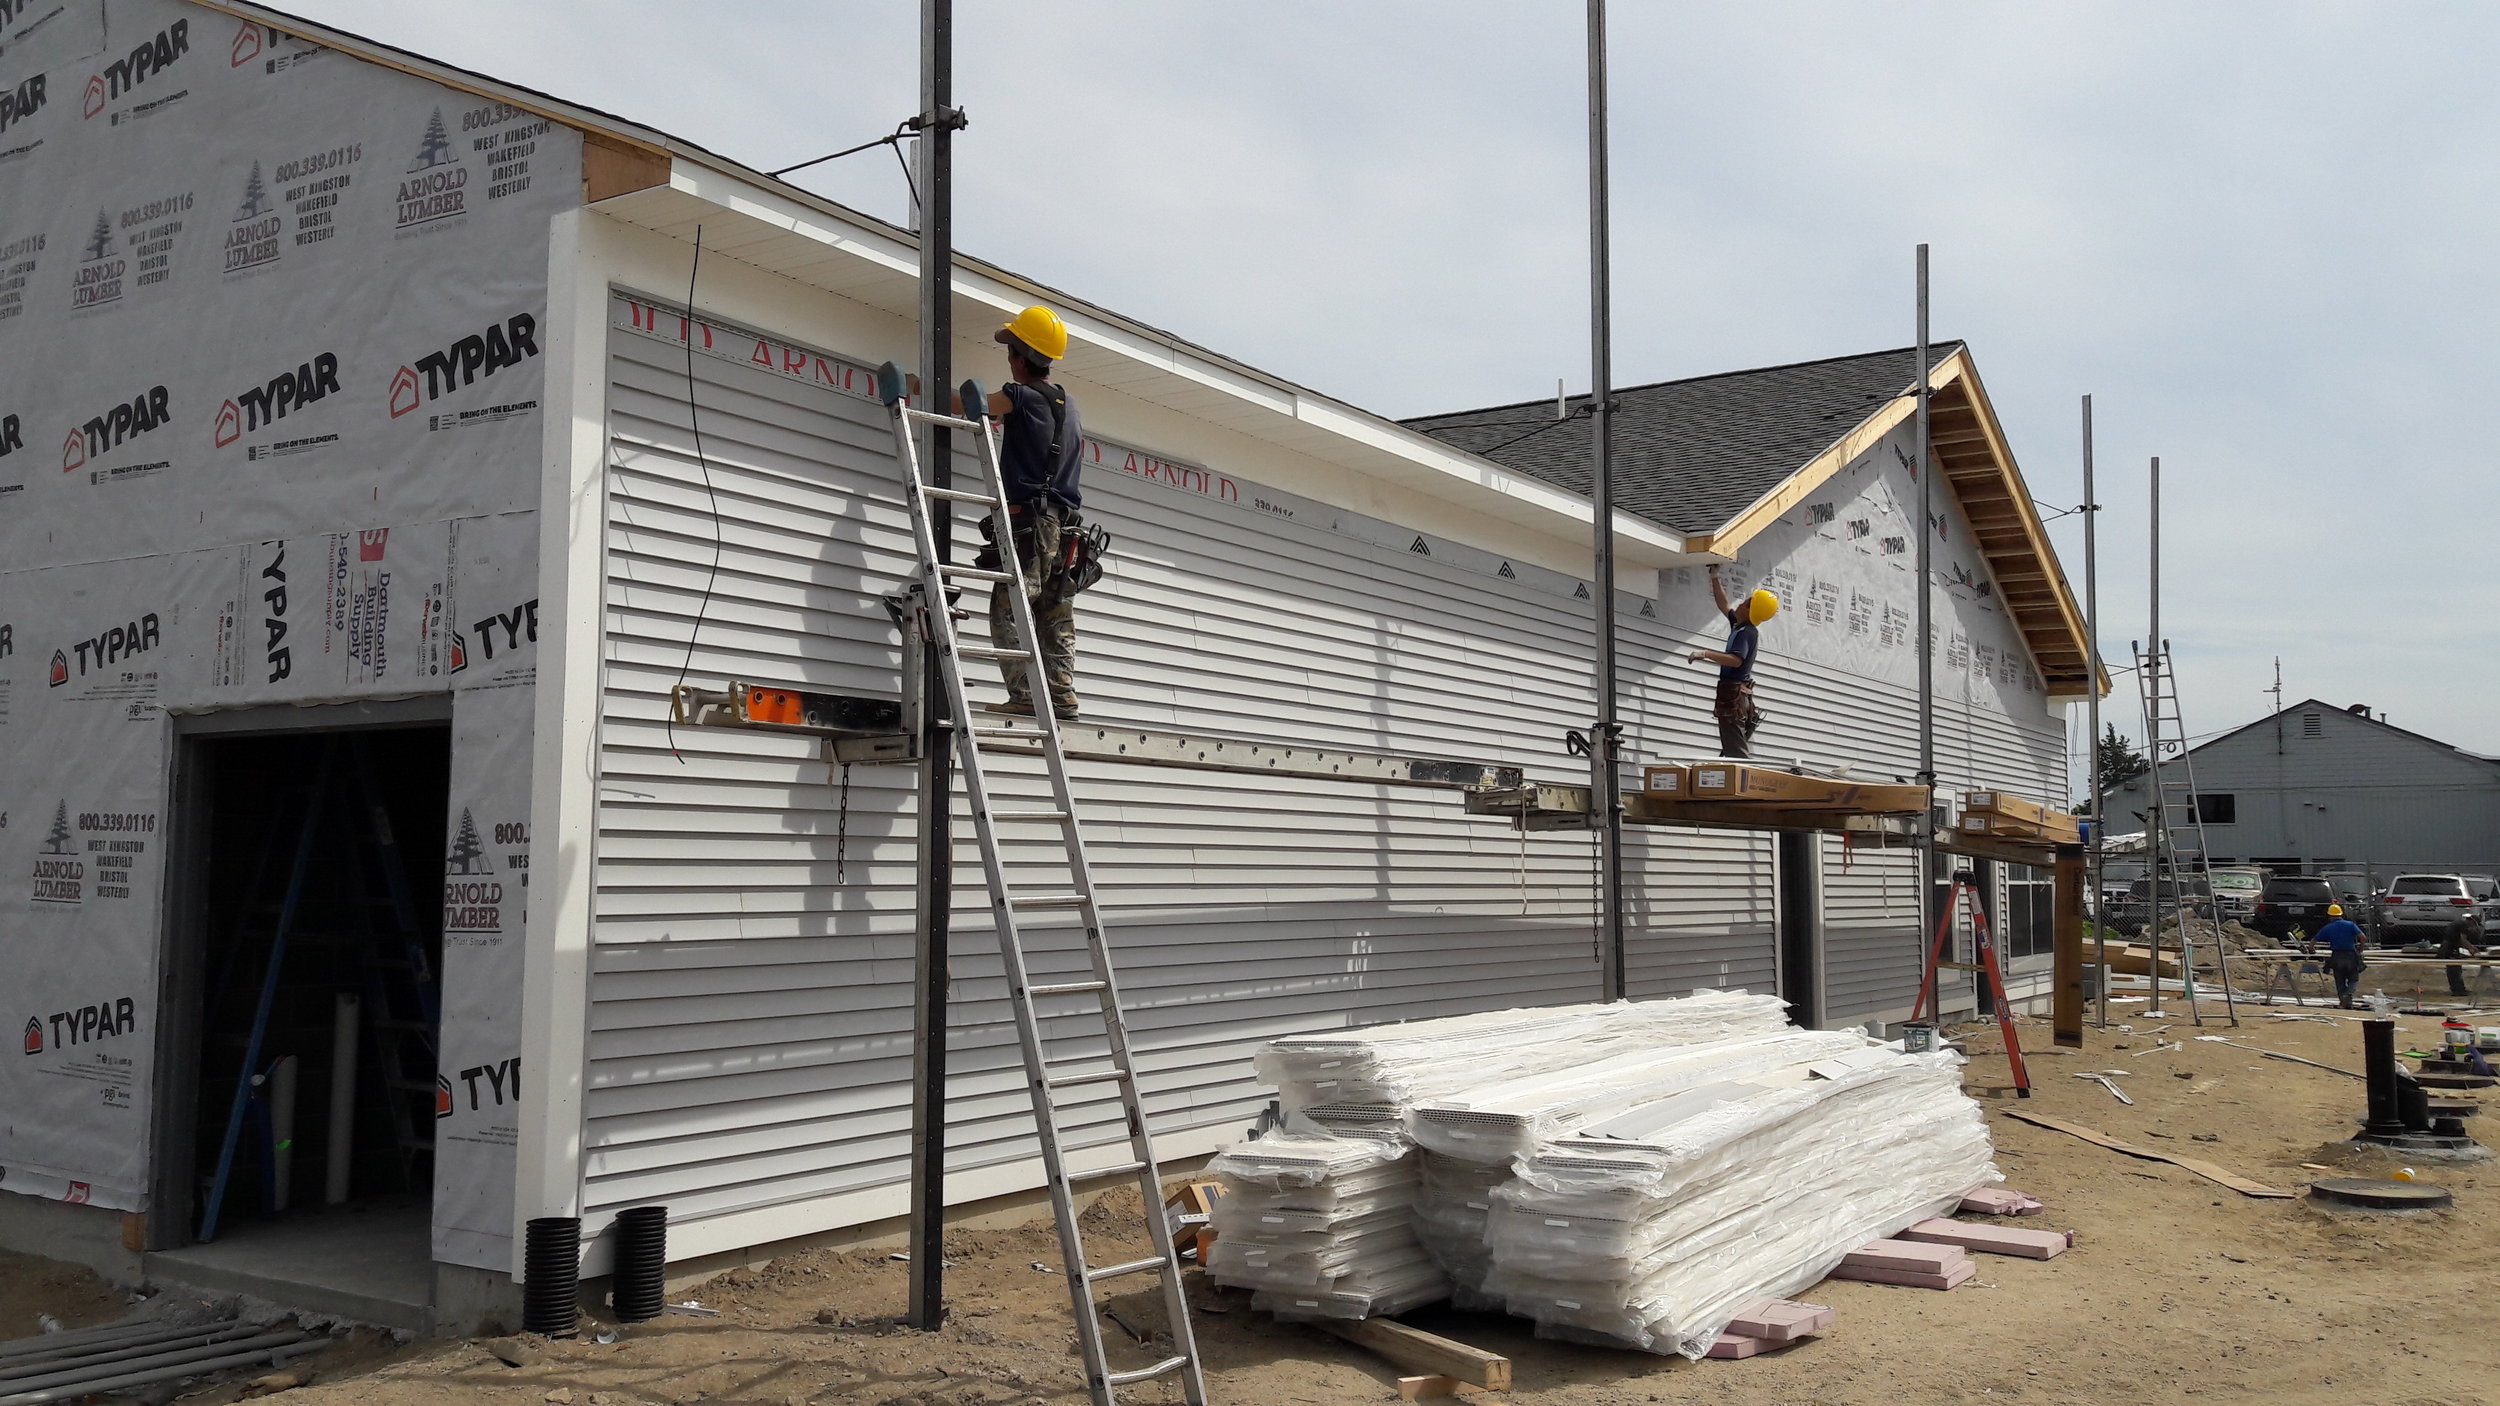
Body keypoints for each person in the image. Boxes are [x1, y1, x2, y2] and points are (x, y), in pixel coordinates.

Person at [954, 305, 1083, 719]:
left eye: (1011, 352)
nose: (1008, 360)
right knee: (1055, 614)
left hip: (1033, 523)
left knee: (1008, 608)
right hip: (1066, 529)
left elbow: (970, 405)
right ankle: (1062, 696)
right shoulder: (1069, 405)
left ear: (1023, 358)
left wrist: (923, 386)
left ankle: (1025, 695)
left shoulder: (1019, 396)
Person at [1684, 564, 1779, 758]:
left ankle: (1740, 783)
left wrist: (1705, 653)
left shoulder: (1746, 633)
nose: (1741, 604)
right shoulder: (1739, 624)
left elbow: (1736, 660)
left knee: (1736, 752)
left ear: (1751, 610)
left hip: (1734, 695)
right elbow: (1723, 604)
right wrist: (1715, 577)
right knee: (1731, 747)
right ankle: (1728, 779)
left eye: (1746, 603)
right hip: (1735, 694)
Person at [2312, 904, 2367, 1009]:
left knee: (2339, 980)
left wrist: (2312, 950)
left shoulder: (2328, 927)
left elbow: (2313, 942)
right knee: (2353, 979)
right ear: (2341, 914)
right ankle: (2348, 995)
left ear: (2330, 916)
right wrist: (2361, 948)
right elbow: (2363, 937)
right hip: (2351, 955)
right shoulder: (2350, 925)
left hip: (2337, 956)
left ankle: (2343, 1000)